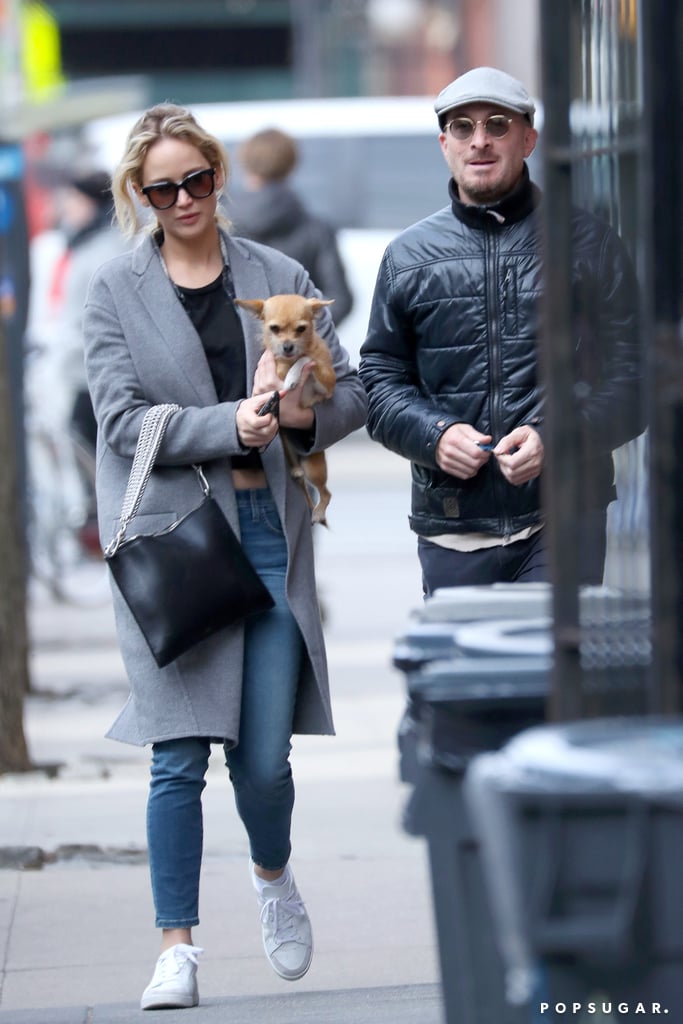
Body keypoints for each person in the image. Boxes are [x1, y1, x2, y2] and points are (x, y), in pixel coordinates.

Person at [82, 103, 367, 1010]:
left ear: (218, 176)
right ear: (140, 194)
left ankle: (273, 875)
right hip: (179, 543)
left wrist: (293, 415)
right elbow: (119, 421)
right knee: (176, 757)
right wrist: (225, 425)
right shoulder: (112, 291)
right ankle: (177, 947)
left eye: (196, 180)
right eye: (160, 188)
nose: (182, 199)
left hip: (267, 537)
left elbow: (351, 387)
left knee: (264, 765)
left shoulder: (277, 275)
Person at [359, 66, 643, 596]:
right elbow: (377, 381)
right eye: (463, 128)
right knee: (468, 678)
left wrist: (555, 439)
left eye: (497, 124)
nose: (480, 141)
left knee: (552, 677)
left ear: (529, 138)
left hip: (562, 515)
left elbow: (635, 379)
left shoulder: (589, 245)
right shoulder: (407, 257)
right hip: (451, 525)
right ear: (445, 144)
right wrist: (434, 436)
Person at [231, 127, 353, 325]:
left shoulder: (221, 225)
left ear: (244, 163)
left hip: (235, 349)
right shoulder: (317, 229)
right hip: (295, 351)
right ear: (292, 164)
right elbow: (340, 299)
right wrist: (298, 331)